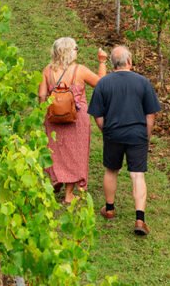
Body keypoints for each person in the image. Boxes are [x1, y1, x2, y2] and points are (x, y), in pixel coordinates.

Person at [87, 46, 162, 237]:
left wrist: (106, 130)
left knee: (111, 170)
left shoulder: (104, 83)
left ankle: (109, 208)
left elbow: (97, 115)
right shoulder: (143, 82)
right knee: (137, 175)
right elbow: (151, 114)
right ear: (129, 61)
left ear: (113, 63)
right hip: (137, 134)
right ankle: (140, 219)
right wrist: (146, 135)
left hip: (113, 133)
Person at [39, 38, 108, 204]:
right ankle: (69, 194)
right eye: (76, 48)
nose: (78, 50)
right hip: (76, 118)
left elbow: (41, 95)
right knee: (75, 153)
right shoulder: (79, 70)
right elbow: (102, 84)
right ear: (68, 52)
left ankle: (57, 179)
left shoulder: (47, 71)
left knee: (56, 150)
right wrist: (102, 62)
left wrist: (44, 113)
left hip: (53, 117)